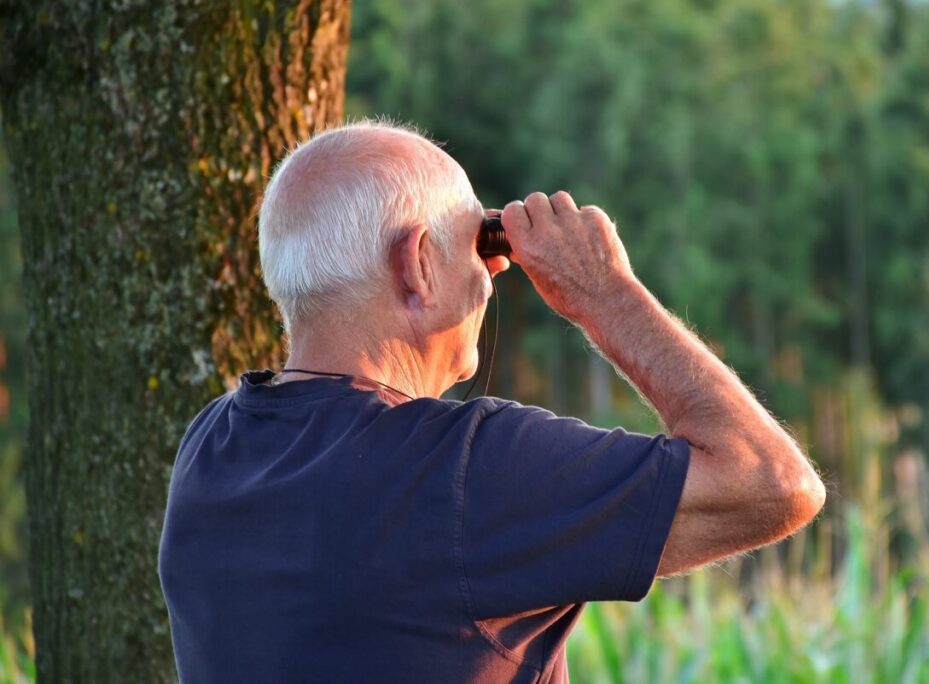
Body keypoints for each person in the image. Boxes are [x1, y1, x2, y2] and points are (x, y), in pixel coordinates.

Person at [158, 121, 826, 684]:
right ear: (417, 266)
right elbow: (771, 482)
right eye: (478, 246)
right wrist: (603, 293)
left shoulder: (211, 452)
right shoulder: (464, 474)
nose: (492, 275)